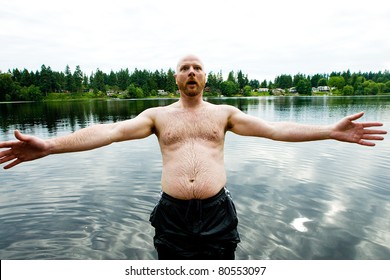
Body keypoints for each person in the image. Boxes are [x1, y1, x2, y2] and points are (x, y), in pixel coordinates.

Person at [0, 55, 387, 259]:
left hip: (217, 212)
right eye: (184, 67)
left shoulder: (224, 115)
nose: (191, 72)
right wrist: (50, 145)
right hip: (173, 214)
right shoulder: (156, 116)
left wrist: (330, 131)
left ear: (205, 77)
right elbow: (109, 132)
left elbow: (277, 130)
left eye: (197, 67)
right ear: (176, 78)